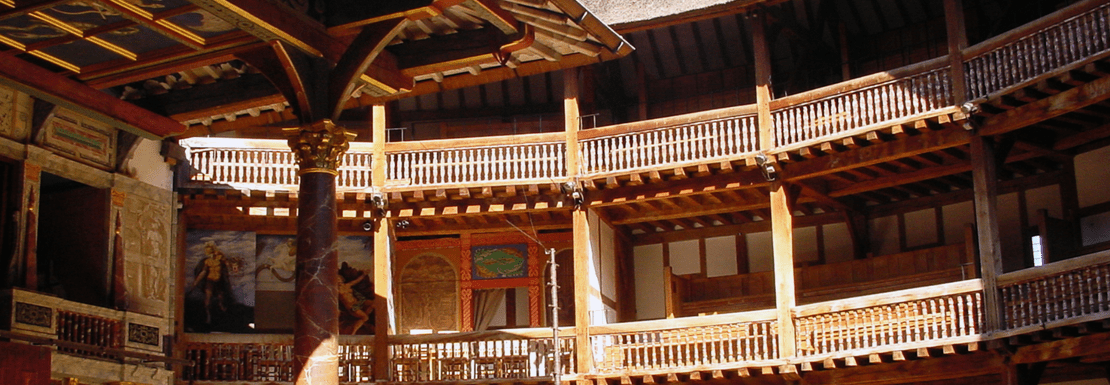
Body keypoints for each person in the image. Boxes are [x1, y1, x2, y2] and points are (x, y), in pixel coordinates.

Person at [193, 242, 231, 324]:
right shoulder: (207, 261)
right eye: (208, 252)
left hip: (219, 281)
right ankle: (208, 316)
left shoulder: (220, 259)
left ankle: (222, 307)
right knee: (208, 299)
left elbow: (227, 265)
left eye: (211, 252)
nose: (210, 254)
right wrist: (196, 281)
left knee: (221, 297)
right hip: (210, 281)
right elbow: (203, 272)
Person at [338, 265, 373, 334]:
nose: (339, 280)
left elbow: (356, 281)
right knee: (365, 317)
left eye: (339, 279)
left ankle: (365, 321)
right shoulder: (336, 290)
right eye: (337, 279)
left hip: (358, 303)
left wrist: (364, 275)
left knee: (373, 304)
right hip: (352, 307)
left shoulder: (346, 285)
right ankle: (353, 332)